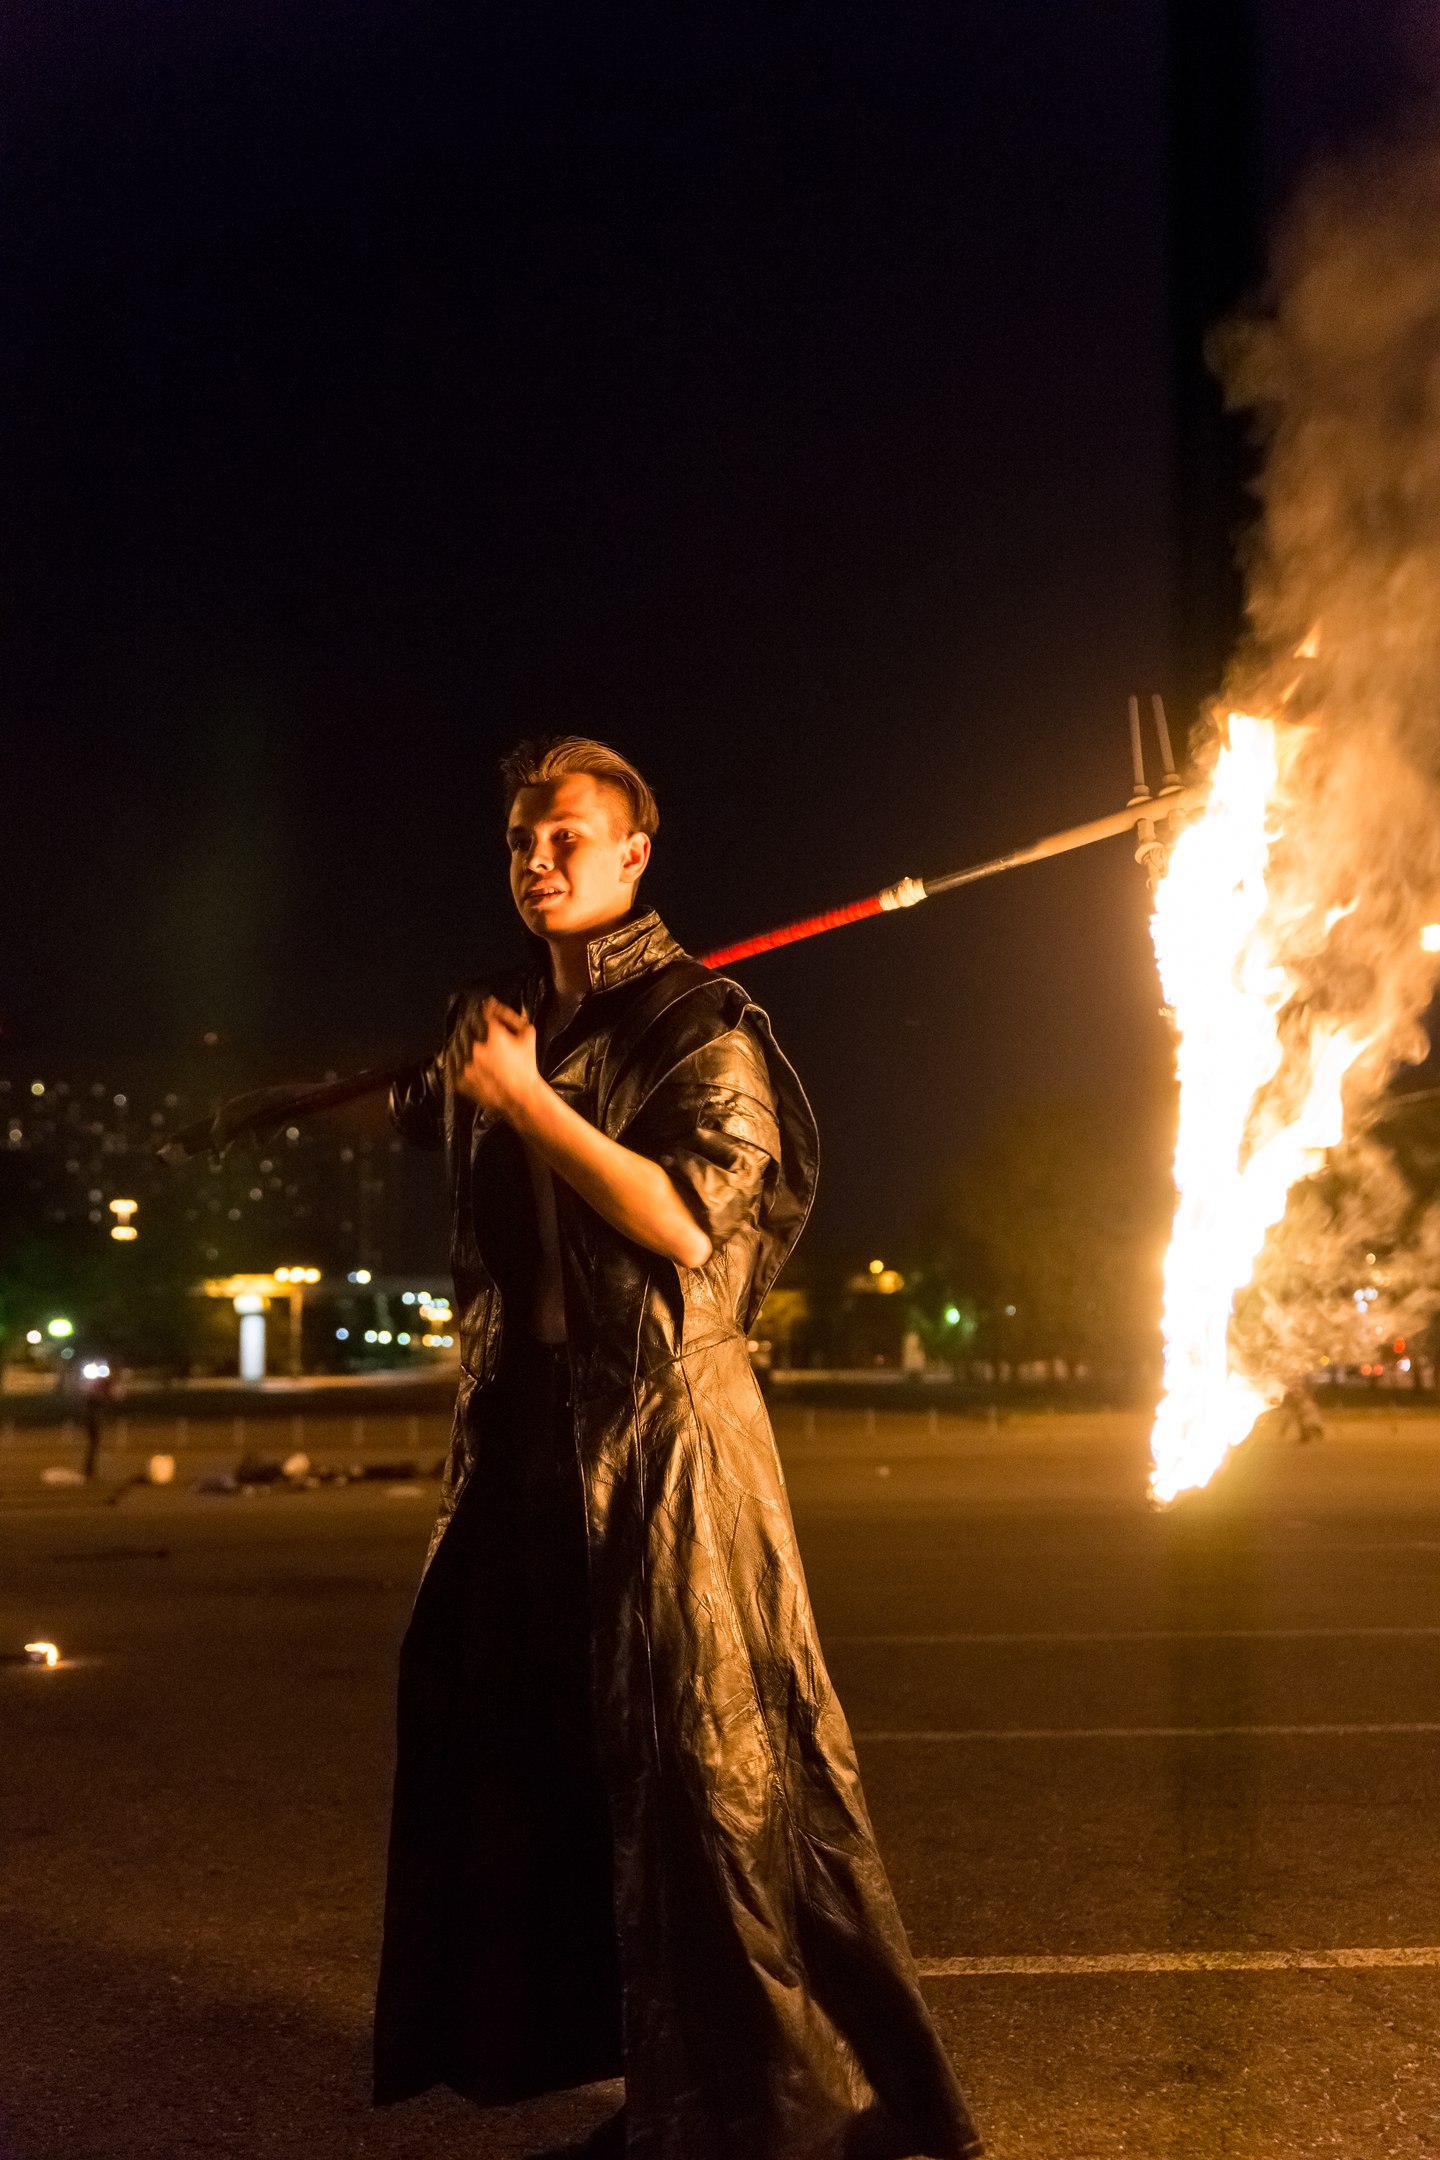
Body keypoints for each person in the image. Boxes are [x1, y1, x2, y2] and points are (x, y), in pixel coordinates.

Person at [372, 736, 981, 2160]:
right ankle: (671, 2100)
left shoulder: (700, 1027)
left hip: (666, 1451)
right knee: (559, 1779)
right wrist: (467, 1072)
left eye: (567, 835)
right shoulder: (528, 1018)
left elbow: (687, 1220)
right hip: (527, 1451)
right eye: (522, 836)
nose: (537, 858)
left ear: (635, 855)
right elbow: (453, 1144)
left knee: (712, 1795)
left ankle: (781, 2118)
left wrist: (527, 1101)